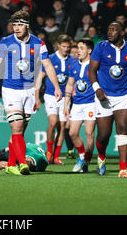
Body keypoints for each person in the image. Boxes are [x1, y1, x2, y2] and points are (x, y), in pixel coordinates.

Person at [0, 10, 62, 175]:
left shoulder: (38, 43)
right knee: (17, 127)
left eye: (20, 24)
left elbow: (47, 66)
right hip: (11, 90)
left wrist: (56, 87)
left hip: (29, 91)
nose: (16, 28)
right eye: (14, 24)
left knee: (19, 132)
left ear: (27, 25)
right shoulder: (5, 42)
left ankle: (11, 164)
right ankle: (22, 164)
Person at [89, 21, 127, 178]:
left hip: (124, 96)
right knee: (104, 135)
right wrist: (97, 89)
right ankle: (101, 156)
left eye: (113, 30)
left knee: (123, 129)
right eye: (108, 29)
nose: (110, 32)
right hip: (104, 97)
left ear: (122, 33)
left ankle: (123, 168)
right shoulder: (100, 47)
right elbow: (92, 71)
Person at [35, 35, 75, 164]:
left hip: (65, 97)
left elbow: (72, 80)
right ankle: (49, 153)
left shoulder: (72, 60)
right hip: (51, 95)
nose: (66, 49)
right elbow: (40, 77)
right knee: (53, 123)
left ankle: (56, 156)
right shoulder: (50, 59)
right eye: (64, 46)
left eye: (68, 47)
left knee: (62, 126)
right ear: (58, 45)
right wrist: (36, 96)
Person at [64, 38, 96, 173]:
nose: (78, 51)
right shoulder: (74, 65)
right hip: (77, 104)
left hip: (91, 103)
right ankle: (82, 156)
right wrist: (66, 104)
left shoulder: (95, 65)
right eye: (78, 48)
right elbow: (70, 84)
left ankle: (86, 162)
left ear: (89, 51)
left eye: (82, 48)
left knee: (89, 133)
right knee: (72, 133)